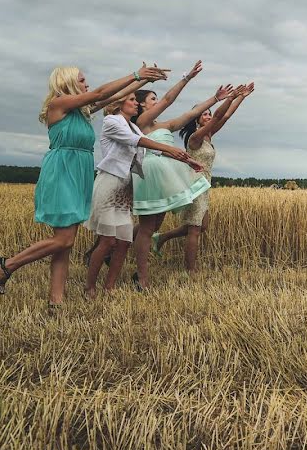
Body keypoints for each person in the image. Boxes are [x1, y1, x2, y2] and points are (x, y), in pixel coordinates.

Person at [0, 63, 169, 311]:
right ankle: (7, 265)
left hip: (79, 173)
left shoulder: (82, 111)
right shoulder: (57, 105)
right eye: (82, 81)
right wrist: (136, 74)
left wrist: (145, 81)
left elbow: (112, 96)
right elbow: (102, 93)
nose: (87, 84)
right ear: (67, 82)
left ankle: (56, 302)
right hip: (61, 172)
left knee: (66, 243)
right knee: (63, 240)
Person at [83, 92, 203, 299]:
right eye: (131, 100)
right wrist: (169, 148)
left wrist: (186, 160)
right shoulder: (111, 121)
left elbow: (152, 151)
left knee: (123, 242)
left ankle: (109, 288)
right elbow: (137, 141)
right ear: (119, 104)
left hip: (126, 186)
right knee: (108, 241)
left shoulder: (134, 126)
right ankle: (89, 288)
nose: (135, 103)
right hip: (110, 183)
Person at [130, 60, 233, 290]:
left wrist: (215, 99)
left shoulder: (164, 125)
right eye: (152, 99)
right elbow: (168, 100)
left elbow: (192, 113)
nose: (157, 102)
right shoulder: (142, 123)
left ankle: (120, 242)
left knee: (155, 225)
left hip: (166, 176)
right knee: (148, 227)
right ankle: (142, 278)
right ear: (142, 106)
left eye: (156, 99)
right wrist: (187, 78)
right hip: (151, 174)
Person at [152, 82, 255, 271]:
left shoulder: (209, 136)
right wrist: (230, 97)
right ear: (197, 121)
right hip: (194, 183)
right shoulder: (195, 138)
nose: (208, 116)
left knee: (202, 225)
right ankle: (190, 271)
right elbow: (218, 115)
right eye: (204, 114)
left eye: (209, 113)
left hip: (205, 184)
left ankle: (161, 237)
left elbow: (226, 115)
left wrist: (241, 97)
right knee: (195, 229)